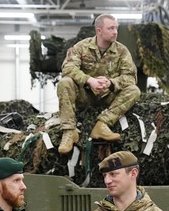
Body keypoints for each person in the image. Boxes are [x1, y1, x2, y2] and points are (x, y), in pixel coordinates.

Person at [57, 14, 141, 154]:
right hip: (85, 95)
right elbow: (67, 68)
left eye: (116, 28)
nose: (115, 32)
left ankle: (102, 124)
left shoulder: (121, 51)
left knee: (134, 90)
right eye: (111, 28)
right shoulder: (81, 47)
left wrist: (110, 83)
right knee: (65, 82)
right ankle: (69, 131)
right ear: (99, 30)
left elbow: (130, 77)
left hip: (108, 97)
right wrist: (89, 80)